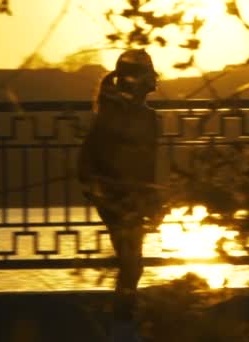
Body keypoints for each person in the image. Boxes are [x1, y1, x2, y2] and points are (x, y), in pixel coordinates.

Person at [78, 49, 162, 340]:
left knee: (132, 263)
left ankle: (122, 323)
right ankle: (122, 325)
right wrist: (103, 193)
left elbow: (147, 166)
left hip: (131, 197)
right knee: (130, 262)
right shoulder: (114, 116)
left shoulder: (147, 118)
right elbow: (91, 159)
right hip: (114, 196)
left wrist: (152, 200)